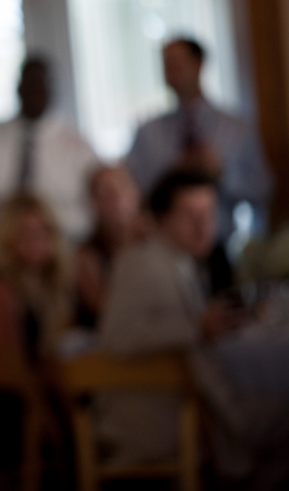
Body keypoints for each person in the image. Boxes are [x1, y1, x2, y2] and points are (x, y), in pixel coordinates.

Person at [98, 168, 288, 488]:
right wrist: (196, 326)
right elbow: (118, 337)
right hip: (163, 421)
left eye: (209, 214)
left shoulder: (178, 262)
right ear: (160, 219)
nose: (204, 227)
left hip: (188, 407)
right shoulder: (142, 263)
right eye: (190, 216)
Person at [0, 57, 99, 267]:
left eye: (41, 84)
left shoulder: (78, 148)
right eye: (29, 83)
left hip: (62, 271)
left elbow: (95, 212)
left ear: (53, 89)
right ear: (18, 87)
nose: (34, 91)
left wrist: (46, 220)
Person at [126, 37, 273, 246]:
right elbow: (132, 192)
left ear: (199, 64)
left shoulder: (237, 129)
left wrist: (224, 173)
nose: (170, 68)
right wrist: (172, 172)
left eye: (177, 60)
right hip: (163, 249)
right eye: (165, 62)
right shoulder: (147, 132)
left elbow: (263, 190)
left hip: (220, 246)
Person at [0, 194, 72, 471]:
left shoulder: (37, 285)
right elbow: (16, 368)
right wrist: (49, 421)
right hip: (10, 417)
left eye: (44, 230)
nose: (38, 239)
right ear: (7, 239)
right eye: (26, 232)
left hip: (25, 406)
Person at [73, 166, 147, 329]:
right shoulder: (85, 256)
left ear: (137, 193)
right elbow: (106, 311)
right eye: (106, 192)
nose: (117, 198)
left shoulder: (159, 241)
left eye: (123, 187)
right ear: (93, 203)